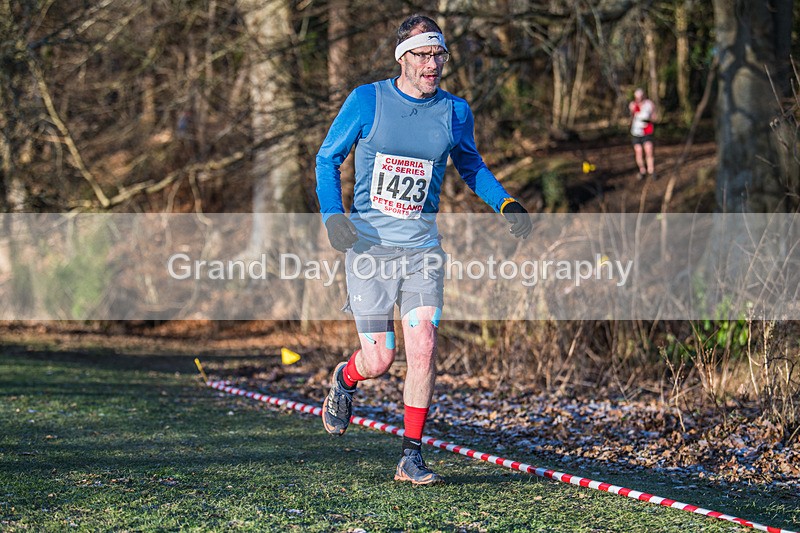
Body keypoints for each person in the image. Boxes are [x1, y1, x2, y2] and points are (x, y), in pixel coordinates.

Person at [314, 14, 532, 485]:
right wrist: (334, 216)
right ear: (403, 58)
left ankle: (410, 455)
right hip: (370, 249)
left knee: (426, 347)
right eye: (424, 54)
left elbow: (472, 166)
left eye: (440, 55)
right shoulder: (367, 100)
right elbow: (327, 158)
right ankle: (346, 380)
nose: (433, 64)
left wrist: (506, 203)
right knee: (379, 360)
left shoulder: (455, 111)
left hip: (422, 253)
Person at [629, 88, 656, 180]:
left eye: (640, 97)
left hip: (647, 131)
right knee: (639, 151)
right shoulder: (633, 105)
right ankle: (642, 170)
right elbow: (632, 116)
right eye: (637, 97)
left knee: (649, 150)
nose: (639, 99)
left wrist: (649, 120)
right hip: (636, 132)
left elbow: (654, 117)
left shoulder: (649, 104)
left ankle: (651, 170)